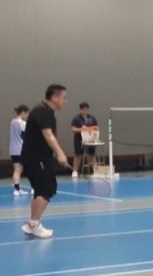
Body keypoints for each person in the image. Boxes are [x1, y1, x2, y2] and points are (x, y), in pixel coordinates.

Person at [21, 85, 71, 238]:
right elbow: (48, 135)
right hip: (36, 159)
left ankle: (32, 224)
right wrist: (61, 154)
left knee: (43, 190)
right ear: (55, 97)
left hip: (39, 158)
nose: (65, 101)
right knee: (45, 190)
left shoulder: (43, 111)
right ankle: (33, 225)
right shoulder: (43, 111)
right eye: (64, 98)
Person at [69, 102, 99, 178]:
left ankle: (96, 171)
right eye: (84, 109)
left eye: (87, 109)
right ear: (81, 109)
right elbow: (73, 129)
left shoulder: (92, 118)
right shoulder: (76, 118)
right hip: (79, 139)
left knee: (92, 155)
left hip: (90, 139)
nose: (86, 111)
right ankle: (75, 171)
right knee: (78, 154)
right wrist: (82, 129)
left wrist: (94, 129)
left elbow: (97, 127)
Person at [9, 105, 30, 197]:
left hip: (13, 150)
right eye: (26, 113)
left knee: (16, 170)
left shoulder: (12, 122)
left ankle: (16, 190)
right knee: (28, 168)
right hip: (20, 150)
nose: (27, 116)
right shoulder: (22, 123)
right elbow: (27, 135)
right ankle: (34, 188)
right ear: (23, 113)